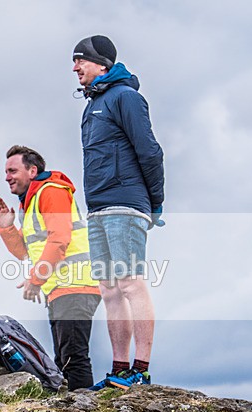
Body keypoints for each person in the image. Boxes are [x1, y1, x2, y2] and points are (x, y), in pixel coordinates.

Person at [72, 35, 165, 391]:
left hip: (126, 203)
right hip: (97, 207)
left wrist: (155, 203)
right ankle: (120, 369)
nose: (76, 68)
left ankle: (141, 370)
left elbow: (150, 151)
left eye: (81, 60)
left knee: (129, 283)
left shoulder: (126, 97)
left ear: (102, 64)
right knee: (109, 290)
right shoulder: (92, 104)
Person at [0, 146, 101, 390]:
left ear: (32, 170)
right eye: (5, 172)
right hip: (60, 289)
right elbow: (25, 252)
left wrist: (36, 279)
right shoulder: (30, 203)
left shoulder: (51, 191)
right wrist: (7, 227)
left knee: (73, 358)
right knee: (64, 359)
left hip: (75, 284)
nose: (7, 177)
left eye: (12, 170)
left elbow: (59, 240)